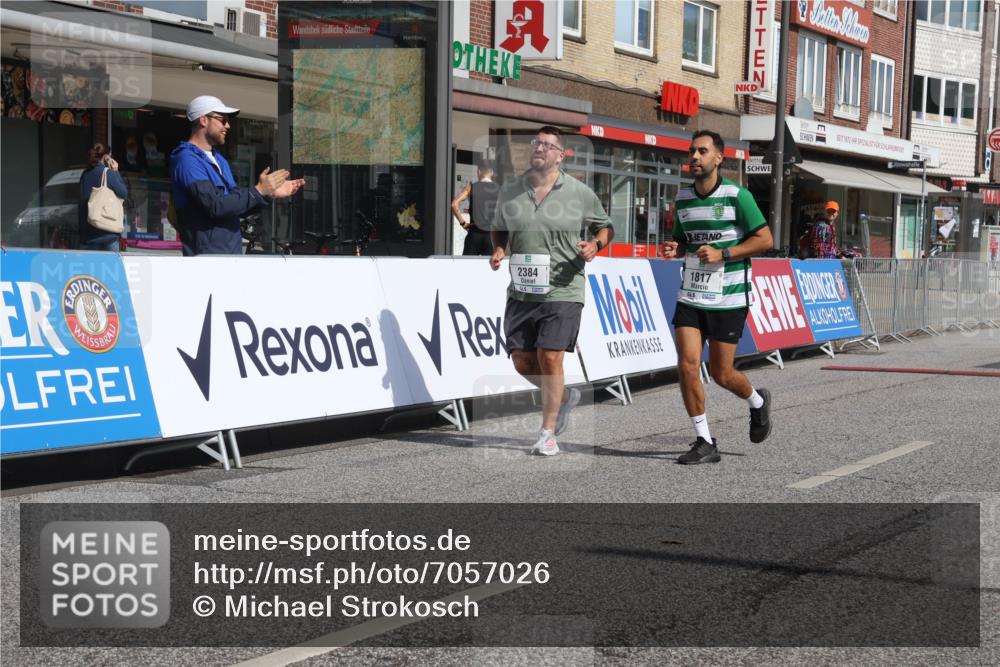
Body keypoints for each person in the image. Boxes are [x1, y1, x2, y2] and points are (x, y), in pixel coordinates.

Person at [490, 126, 614, 456]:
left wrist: (596, 245)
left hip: (564, 287)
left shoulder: (579, 192)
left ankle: (547, 433)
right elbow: (499, 228)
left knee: (549, 356)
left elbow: (606, 225)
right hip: (522, 291)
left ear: (562, 155)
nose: (540, 148)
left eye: (548, 145)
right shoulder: (511, 190)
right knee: (522, 361)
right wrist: (500, 249)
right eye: (536, 143)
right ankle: (564, 397)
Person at [662, 130, 774, 465]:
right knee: (687, 365)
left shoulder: (737, 196)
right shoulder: (682, 199)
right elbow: (685, 241)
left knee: (722, 373)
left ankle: (757, 402)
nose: (694, 157)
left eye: (702, 151)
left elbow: (765, 240)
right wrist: (676, 248)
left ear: (718, 158)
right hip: (692, 296)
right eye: (691, 151)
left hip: (729, 298)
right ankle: (704, 441)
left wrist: (724, 254)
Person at [170, 95, 303, 256]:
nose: (228, 125)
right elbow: (214, 206)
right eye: (222, 120)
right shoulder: (186, 159)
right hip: (206, 260)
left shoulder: (219, 159)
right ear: (203, 120)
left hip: (230, 255)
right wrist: (258, 191)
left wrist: (268, 194)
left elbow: (234, 206)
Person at [78, 143, 127, 251]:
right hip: (108, 234)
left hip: (89, 234)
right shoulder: (109, 173)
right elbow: (123, 193)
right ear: (106, 157)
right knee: (110, 267)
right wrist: (116, 172)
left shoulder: (85, 174)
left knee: (93, 268)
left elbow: (82, 203)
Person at [451, 159, 500, 256]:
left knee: (468, 268)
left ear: (479, 171)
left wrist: (463, 223)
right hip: (491, 237)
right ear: (492, 173)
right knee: (490, 270)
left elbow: (454, 204)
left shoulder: (471, 187)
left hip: (474, 234)